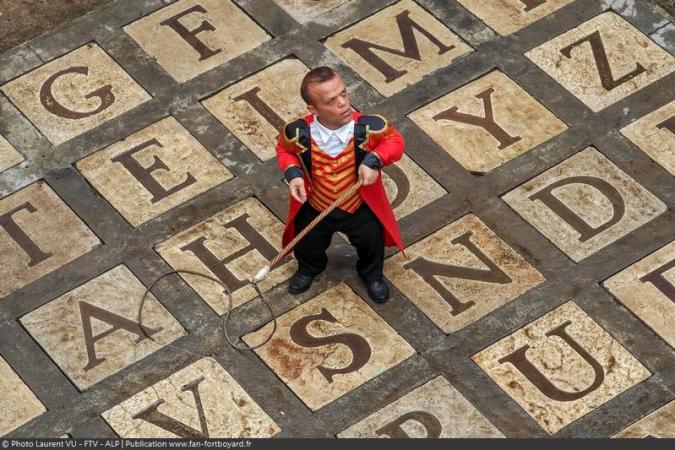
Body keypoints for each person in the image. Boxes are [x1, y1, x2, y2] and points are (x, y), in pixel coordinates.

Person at [275, 66, 405, 303]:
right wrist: (293, 173)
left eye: (344, 94)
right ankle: (309, 268)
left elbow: (394, 141)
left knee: (371, 241)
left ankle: (372, 275)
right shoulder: (298, 132)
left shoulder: (369, 127)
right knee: (307, 241)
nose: (343, 103)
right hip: (317, 204)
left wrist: (374, 160)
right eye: (331, 101)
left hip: (357, 206)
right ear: (313, 109)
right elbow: (284, 149)